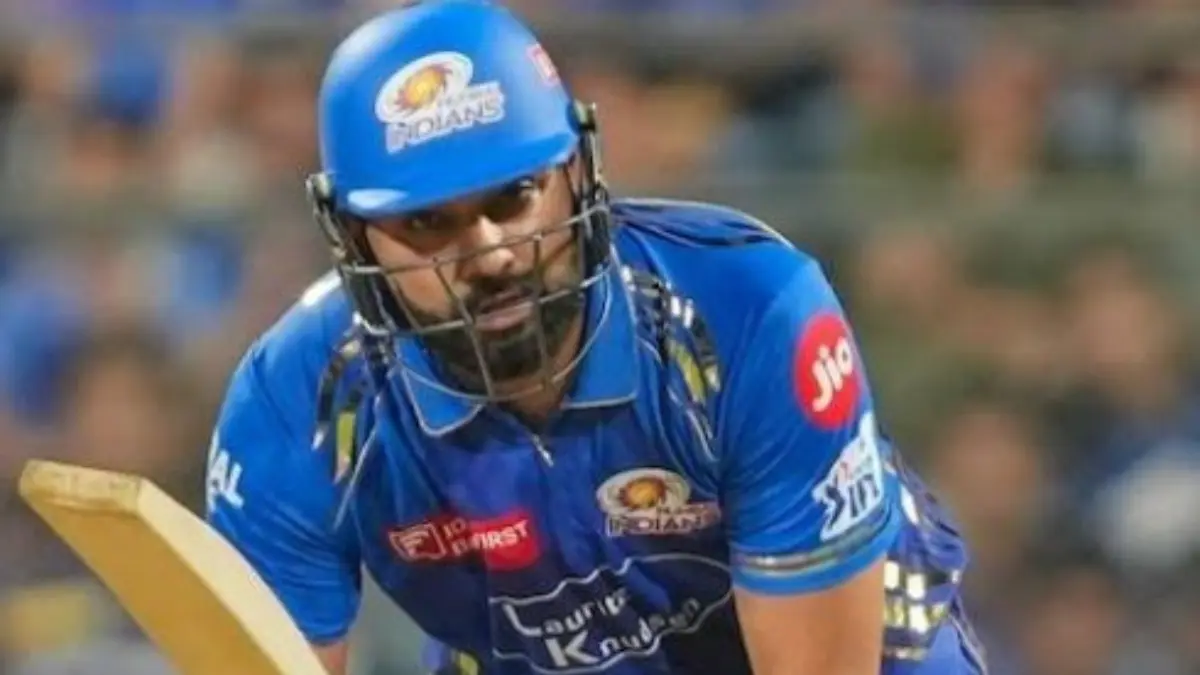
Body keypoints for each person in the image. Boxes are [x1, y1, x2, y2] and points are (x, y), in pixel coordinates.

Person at [205, 2, 987, 673]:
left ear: (577, 171)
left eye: (514, 197)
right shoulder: (294, 400)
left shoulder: (749, 311)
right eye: (426, 223)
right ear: (353, 235)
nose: (490, 254)